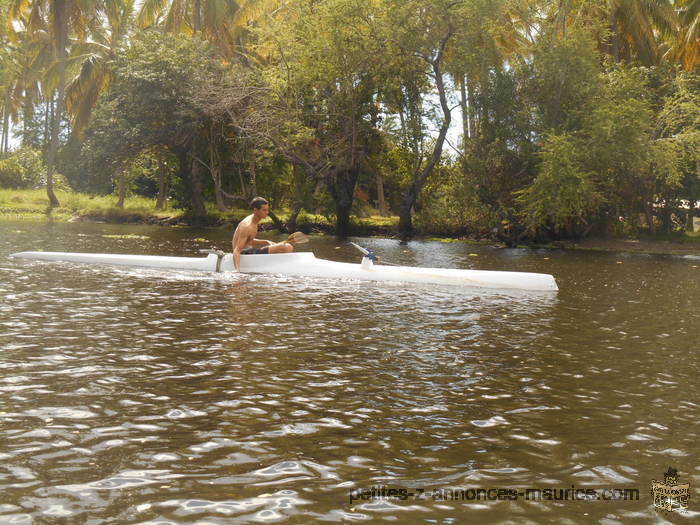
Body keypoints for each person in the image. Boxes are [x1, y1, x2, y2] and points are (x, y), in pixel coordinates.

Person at [231, 197, 293, 271]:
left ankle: (272, 266)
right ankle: (275, 267)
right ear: (255, 210)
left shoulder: (254, 221)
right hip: (246, 254)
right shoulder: (247, 226)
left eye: (267, 209)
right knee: (287, 247)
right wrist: (237, 271)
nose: (267, 212)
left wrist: (266, 241)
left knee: (286, 246)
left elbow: (249, 240)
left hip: (251, 251)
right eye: (264, 210)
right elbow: (237, 250)